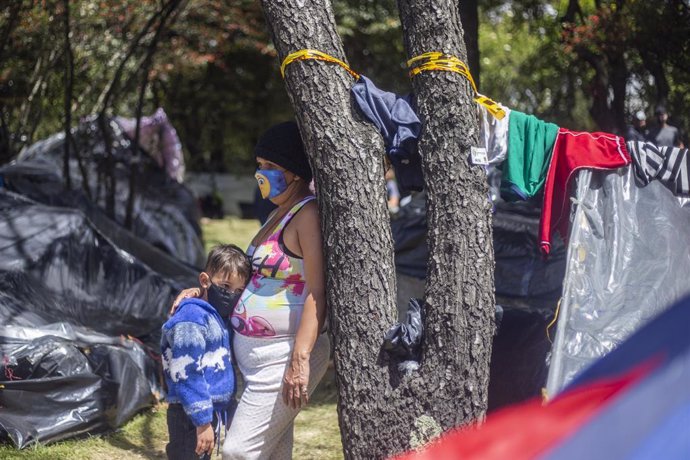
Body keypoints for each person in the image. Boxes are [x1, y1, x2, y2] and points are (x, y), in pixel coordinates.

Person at [172, 121, 330, 459]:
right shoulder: (278, 213)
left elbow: (317, 290)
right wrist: (199, 292)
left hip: (283, 356)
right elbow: (248, 276)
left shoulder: (307, 215)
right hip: (255, 360)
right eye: (260, 166)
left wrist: (300, 359)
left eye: (272, 167)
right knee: (273, 454)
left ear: (296, 172)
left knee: (238, 451)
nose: (262, 174)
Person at [162, 244, 251, 460]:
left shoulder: (217, 316)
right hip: (189, 415)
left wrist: (228, 407)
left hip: (205, 411)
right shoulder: (192, 319)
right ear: (205, 281)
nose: (231, 295)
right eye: (225, 286)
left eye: (238, 291)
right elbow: (187, 373)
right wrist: (202, 423)